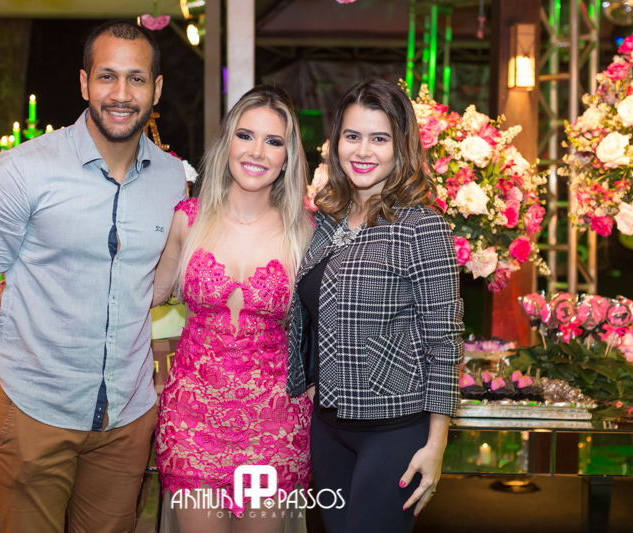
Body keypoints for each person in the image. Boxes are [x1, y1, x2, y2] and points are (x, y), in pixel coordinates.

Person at [0, 20, 187, 533]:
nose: (121, 94)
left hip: (128, 415)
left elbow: (165, 285)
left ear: (157, 88)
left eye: (137, 79)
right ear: (84, 83)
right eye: (107, 76)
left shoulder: (173, 179)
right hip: (36, 407)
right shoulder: (24, 169)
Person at [287, 79, 464, 533]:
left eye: (379, 138)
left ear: (400, 146)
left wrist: (437, 443)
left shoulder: (422, 226)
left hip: (394, 431)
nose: (363, 151)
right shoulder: (327, 222)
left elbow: (444, 341)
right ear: (336, 142)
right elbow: (315, 314)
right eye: (353, 136)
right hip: (328, 429)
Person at [152, 85, 314, 533]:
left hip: (275, 422)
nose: (257, 151)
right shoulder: (188, 218)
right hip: (192, 419)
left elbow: (329, 328)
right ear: (227, 142)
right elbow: (145, 295)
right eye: (246, 135)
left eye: (273, 141)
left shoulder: (305, 232)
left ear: (287, 156)